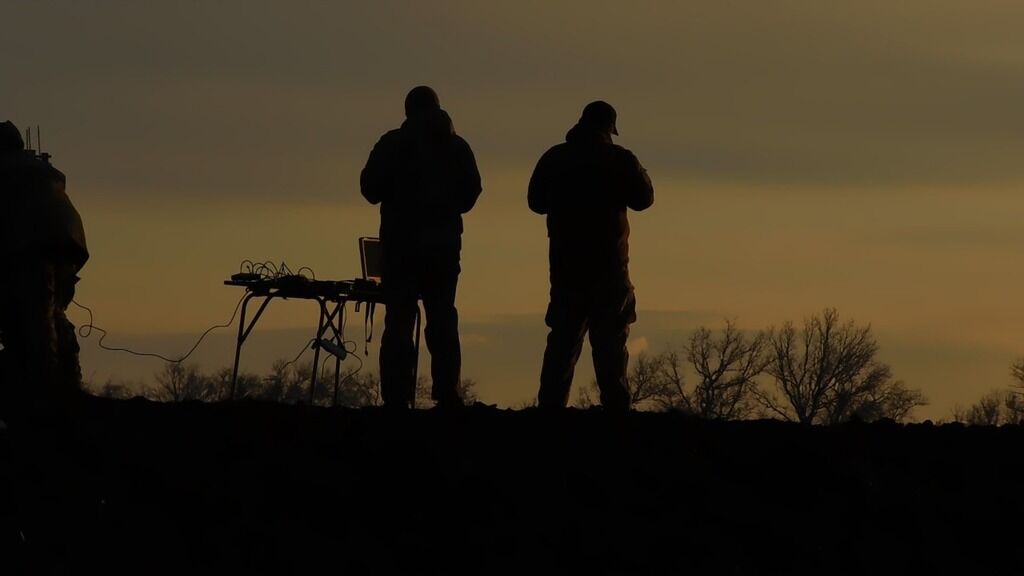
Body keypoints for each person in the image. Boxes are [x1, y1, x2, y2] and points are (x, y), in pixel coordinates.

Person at [528, 101, 654, 412]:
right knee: (610, 343)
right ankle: (616, 410)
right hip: (609, 267)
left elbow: (535, 201)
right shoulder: (619, 159)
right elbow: (644, 199)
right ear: (609, 129)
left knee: (562, 342)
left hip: (566, 266)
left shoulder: (555, 157)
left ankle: (549, 410)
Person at [360, 87, 482, 409]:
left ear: (407, 111)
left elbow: (369, 188)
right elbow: (471, 192)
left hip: (399, 250)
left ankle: (396, 397)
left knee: (399, 321)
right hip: (442, 249)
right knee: (442, 318)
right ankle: (448, 393)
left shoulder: (391, 144)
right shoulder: (456, 146)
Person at [0, 120, 89, 424]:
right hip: (67, 248)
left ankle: (45, 394)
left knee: (35, 320)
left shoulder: (6, 172)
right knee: (55, 313)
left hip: (30, 248)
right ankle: (68, 386)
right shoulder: (41, 171)